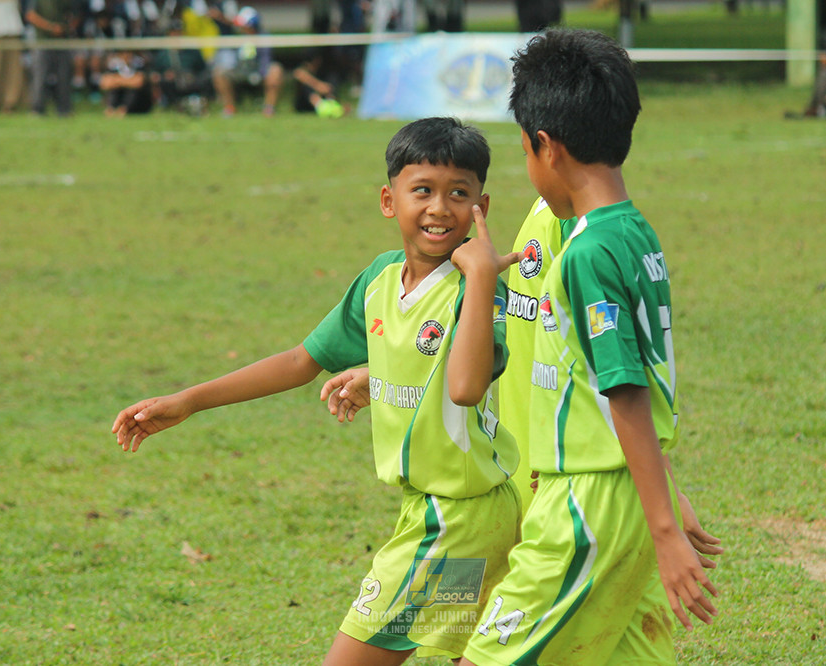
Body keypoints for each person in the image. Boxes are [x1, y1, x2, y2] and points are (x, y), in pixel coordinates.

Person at [113, 116, 524, 664]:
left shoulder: (481, 286)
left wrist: (482, 277)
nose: (439, 208)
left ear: (481, 208)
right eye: (423, 190)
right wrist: (189, 400)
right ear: (389, 200)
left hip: (457, 520)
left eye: (458, 194)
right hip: (446, 511)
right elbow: (300, 361)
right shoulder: (381, 279)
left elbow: (468, 386)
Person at [456, 29, 718, 665]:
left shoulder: (587, 253)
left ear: (547, 147)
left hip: (587, 502)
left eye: (524, 149)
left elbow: (624, 388)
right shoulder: (634, 232)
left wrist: (665, 529)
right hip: (626, 491)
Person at [209, 5, 283, 117]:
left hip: (259, 70)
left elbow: (265, 60)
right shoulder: (237, 37)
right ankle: (229, 108)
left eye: (243, 25)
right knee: (219, 72)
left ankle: (269, 108)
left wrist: (259, 75)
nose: (240, 27)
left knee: (276, 70)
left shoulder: (263, 37)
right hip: (239, 70)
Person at [25, 0, 77, 116]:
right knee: (40, 76)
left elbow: (72, 15)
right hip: (42, 41)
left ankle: (64, 109)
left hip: (62, 41)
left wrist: (65, 27)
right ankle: (37, 109)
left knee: (64, 76)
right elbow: (30, 15)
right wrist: (51, 27)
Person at [292, 48, 345, 118]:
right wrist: (318, 85)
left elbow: (328, 88)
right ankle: (321, 106)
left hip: (324, 97)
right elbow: (298, 74)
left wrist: (324, 88)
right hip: (305, 104)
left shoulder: (327, 72)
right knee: (306, 86)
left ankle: (332, 105)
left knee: (332, 83)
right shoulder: (303, 69)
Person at [98, 49, 153, 115]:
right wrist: (128, 81)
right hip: (120, 95)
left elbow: (139, 82)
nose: (126, 55)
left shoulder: (140, 62)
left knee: (132, 90)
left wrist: (117, 80)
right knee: (114, 90)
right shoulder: (113, 64)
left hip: (138, 101)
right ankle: (111, 109)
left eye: (128, 53)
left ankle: (124, 109)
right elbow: (105, 84)